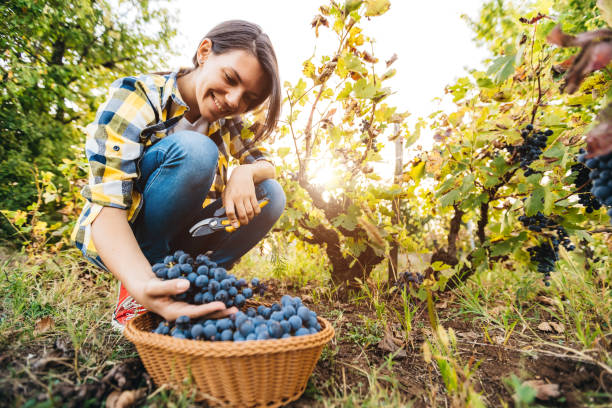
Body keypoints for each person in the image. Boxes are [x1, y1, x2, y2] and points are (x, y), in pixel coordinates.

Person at [70, 20, 285, 330]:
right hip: (122, 235)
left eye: (249, 98)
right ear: (205, 52)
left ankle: (199, 286)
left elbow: (266, 164)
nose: (236, 101)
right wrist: (143, 285)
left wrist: (246, 171)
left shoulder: (229, 122)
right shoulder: (138, 96)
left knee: (271, 194)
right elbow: (107, 207)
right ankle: (144, 285)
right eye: (230, 78)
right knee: (197, 151)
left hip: (182, 240)